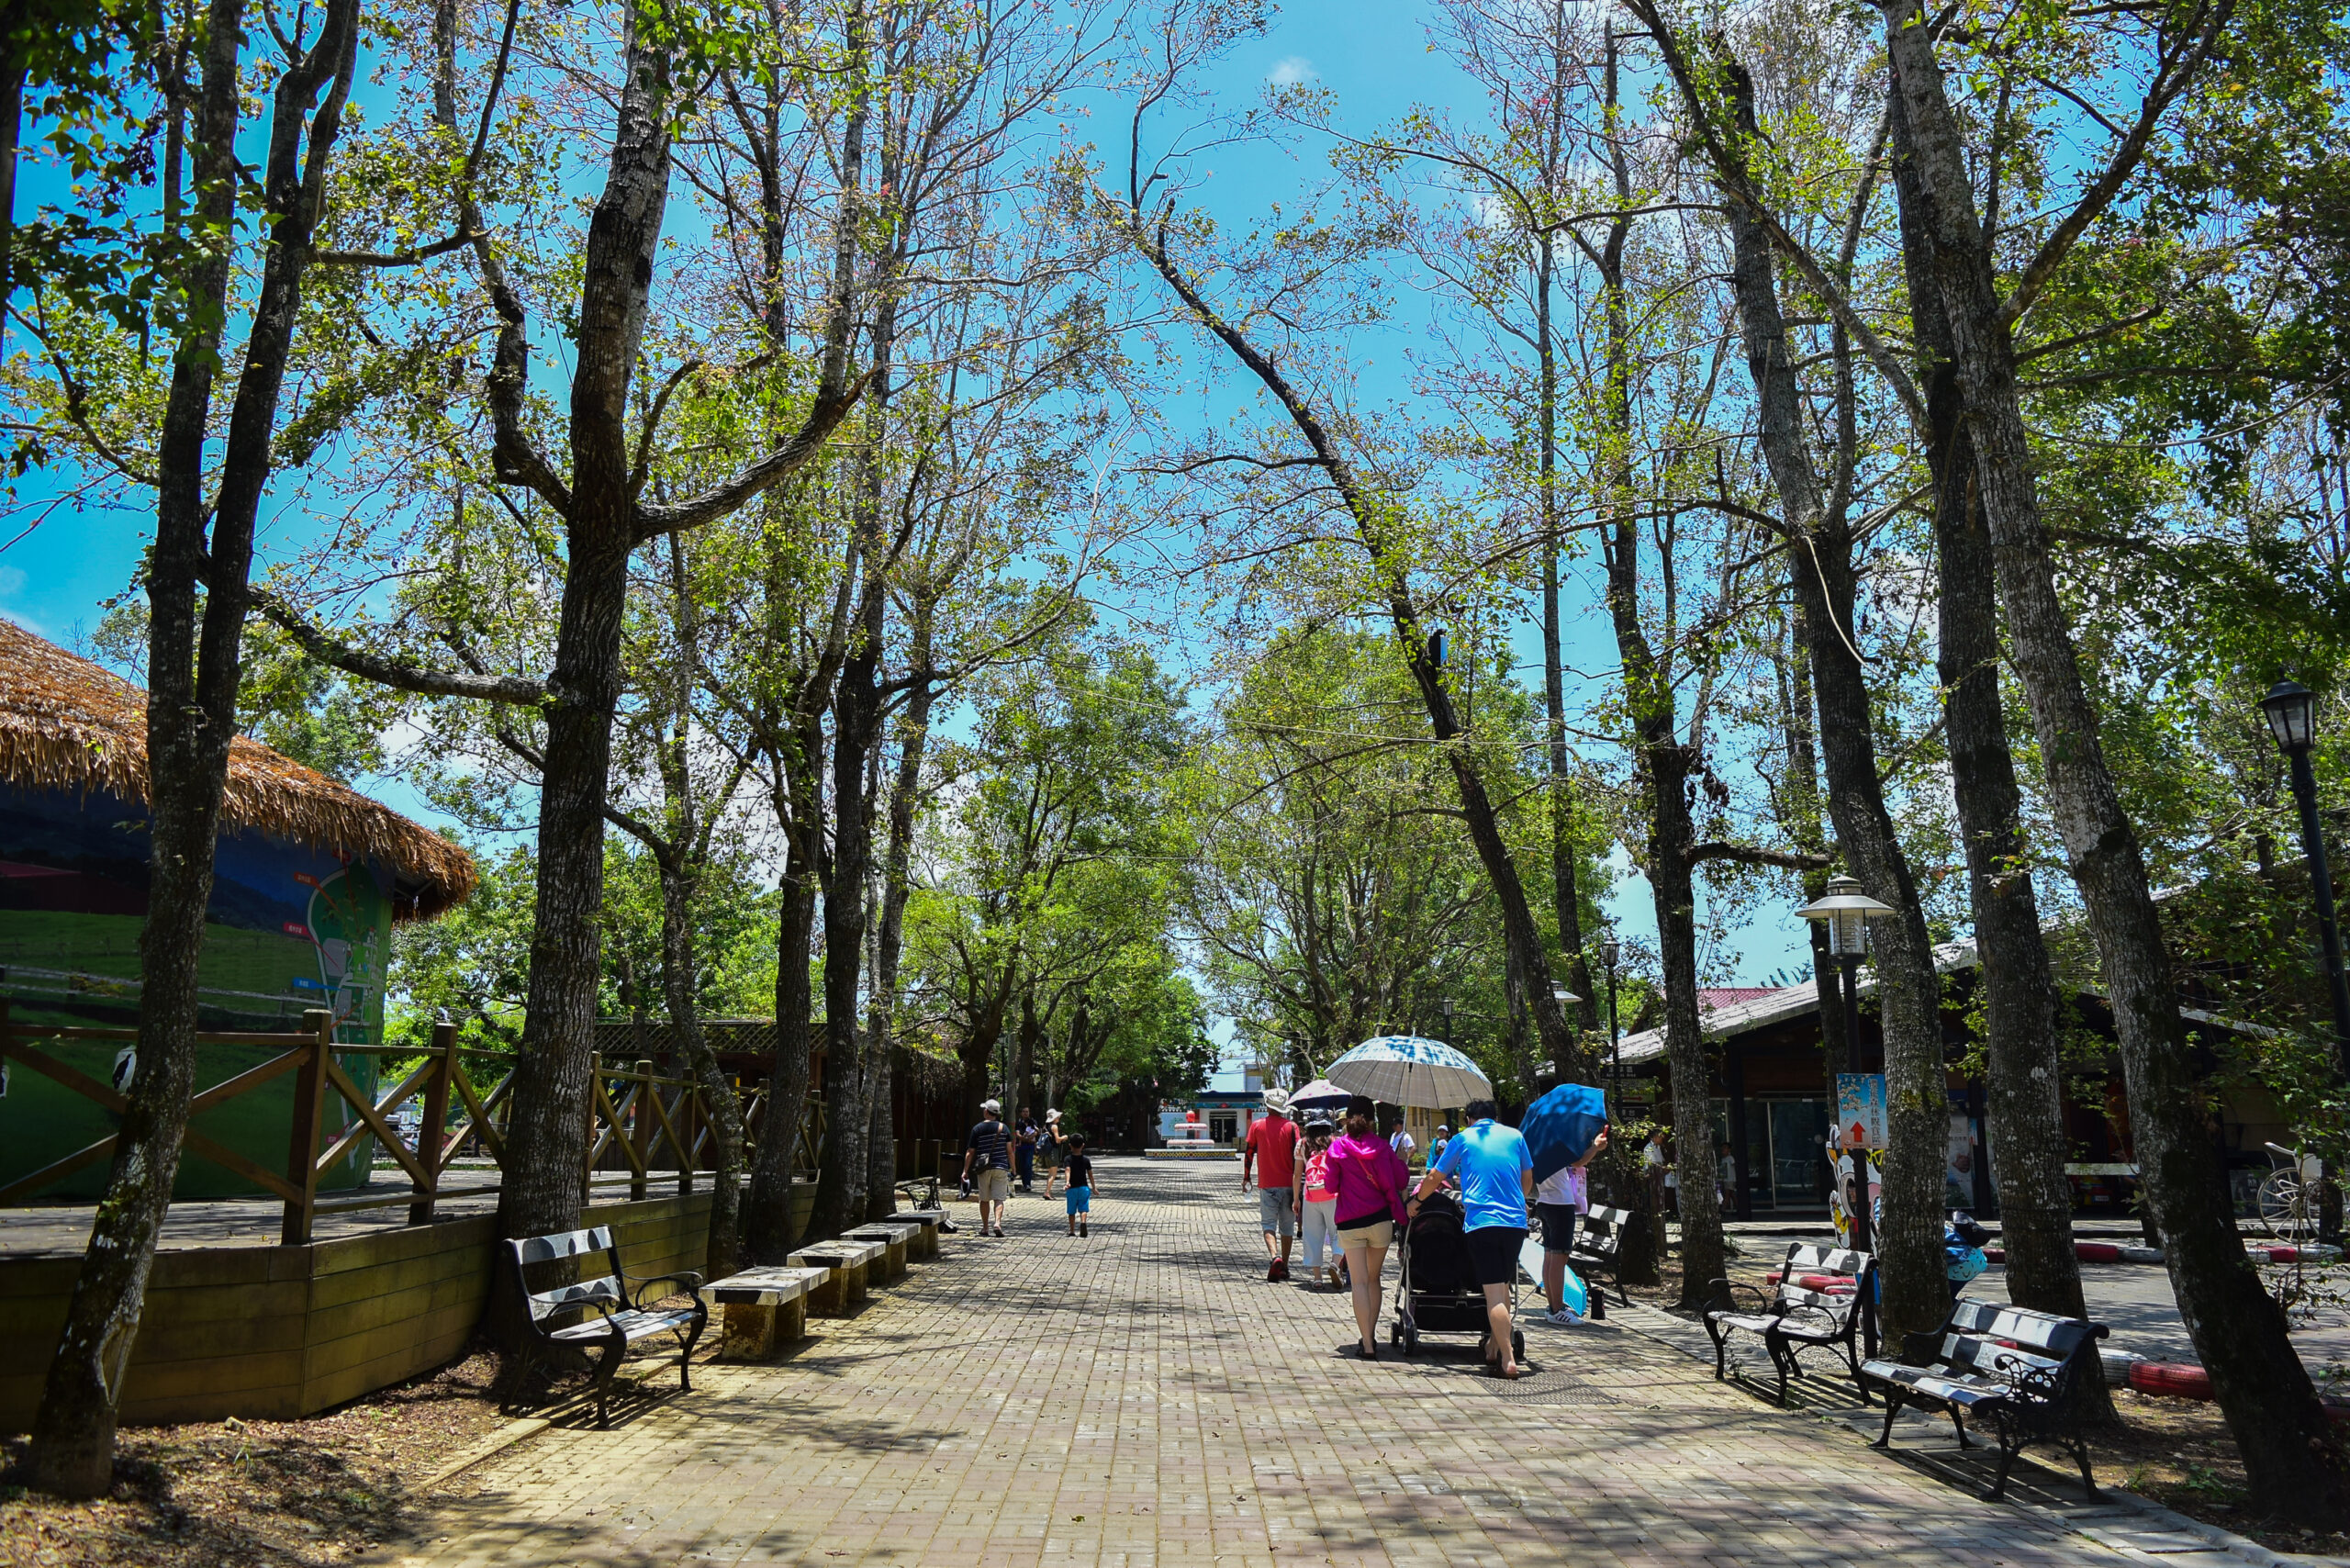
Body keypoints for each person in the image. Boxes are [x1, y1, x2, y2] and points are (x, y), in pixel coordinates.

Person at [1415, 1097, 1533, 1378]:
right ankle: (1493, 1345)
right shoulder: (1516, 1136)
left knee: (1493, 1296)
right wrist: (1519, 1200)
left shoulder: (1463, 1138)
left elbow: (1435, 1176)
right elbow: (1527, 1177)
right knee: (1503, 1285)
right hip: (1515, 1224)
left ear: (1469, 1119)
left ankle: (1508, 1357)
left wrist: (1417, 1200)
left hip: (1482, 1223)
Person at [1327, 1094, 1410, 1359]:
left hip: (1350, 1223)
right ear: (1373, 1122)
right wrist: (1399, 1160)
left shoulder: (1337, 1149)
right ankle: (1370, 1334)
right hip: (1380, 1221)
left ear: (1346, 1120)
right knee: (1373, 1279)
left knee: (1359, 1282)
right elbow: (1401, 1180)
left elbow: (1329, 1186)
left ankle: (1367, 1342)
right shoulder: (1384, 1147)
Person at [1537, 1126, 1608, 1324]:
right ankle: (1557, 1309)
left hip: (1544, 1202)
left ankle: (1553, 1306)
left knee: (1550, 1256)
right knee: (1559, 1259)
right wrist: (1595, 1146)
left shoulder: (1536, 1144)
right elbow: (1579, 1162)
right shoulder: (1556, 1144)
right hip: (1560, 1205)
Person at [1241, 1089, 1300, 1281]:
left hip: (1267, 1184)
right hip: (1290, 1185)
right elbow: (1298, 1155)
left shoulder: (1257, 1126)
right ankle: (1285, 1265)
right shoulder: (1292, 1127)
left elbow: (1249, 1152)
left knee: (1268, 1224)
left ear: (1267, 1105)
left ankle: (1275, 1257)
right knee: (1287, 1227)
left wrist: (1247, 1177)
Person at [1293, 1117, 1342, 1289]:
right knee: (1339, 1233)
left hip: (1310, 1194)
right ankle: (1335, 1264)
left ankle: (1317, 1278)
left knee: (1312, 1236)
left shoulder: (1302, 1144)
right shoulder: (1336, 1142)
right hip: (1333, 1194)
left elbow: (1297, 1175)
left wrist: (1296, 1199)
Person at [961, 1099, 1014, 1236]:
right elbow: (1009, 1151)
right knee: (999, 1198)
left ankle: (985, 1227)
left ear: (986, 1111)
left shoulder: (977, 1129)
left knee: (984, 1199)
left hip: (983, 1168)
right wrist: (1013, 1168)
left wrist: (965, 1171)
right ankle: (997, 1223)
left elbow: (971, 1151)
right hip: (1001, 1166)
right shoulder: (1004, 1128)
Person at [1064, 1137, 1095, 1237]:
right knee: (1083, 1208)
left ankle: (1072, 1231)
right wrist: (1094, 1187)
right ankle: (1083, 1222)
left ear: (1070, 1146)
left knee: (1071, 1211)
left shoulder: (1068, 1159)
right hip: (1084, 1188)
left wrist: (1067, 1182)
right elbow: (1090, 1174)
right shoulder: (1086, 1160)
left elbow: (1067, 1170)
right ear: (1083, 1145)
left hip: (1072, 1188)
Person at [1040, 1109, 1069, 1195]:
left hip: (1047, 1152)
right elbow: (1057, 1140)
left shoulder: (1045, 1126)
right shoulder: (1054, 1126)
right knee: (1053, 1173)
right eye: (1057, 1117)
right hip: (1053, 1151)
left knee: (1050, 1172)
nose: (1059, 1118)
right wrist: (1064, 1137)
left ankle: (1048, 1191)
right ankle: (1047, 1192)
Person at [1015, 1105, 1041, 1192]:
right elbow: (1017, 1133)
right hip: (1021, 1146)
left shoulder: (1033, 1121)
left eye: (1027, 1111)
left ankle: (1028, 1184)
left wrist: (1028, 1138)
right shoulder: (1019, 1122)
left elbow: (1037, 1132)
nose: (1025, 1113)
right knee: (1022, 1166)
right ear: (1021, 1113)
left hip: (1030, 1146)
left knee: (1028, 1165)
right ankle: (1024, 1184)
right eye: (1024, 1111)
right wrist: (1024, 1139)